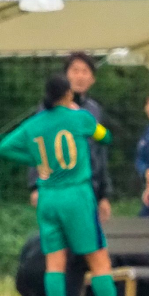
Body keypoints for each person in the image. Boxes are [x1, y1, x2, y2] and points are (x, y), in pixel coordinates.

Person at [0, 74, 144, 296]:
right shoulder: (80, 118)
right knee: (98, 259)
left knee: (55, 262)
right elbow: (105, 137)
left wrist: (36, 159)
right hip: (76, 195)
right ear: (67, 94)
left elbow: (4, 147)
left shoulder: (35, 123)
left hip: (48, 197)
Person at [30, 52, 112, 224]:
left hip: (88, 190)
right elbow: (37, 147)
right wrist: (35, 186)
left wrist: (104, 195)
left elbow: (100, 152)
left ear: (92, 79)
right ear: (66, 76)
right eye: (75, 71)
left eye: (85, 71)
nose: (80, 76)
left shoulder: (94, 110)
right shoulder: (48, 109)